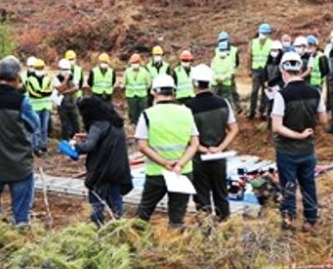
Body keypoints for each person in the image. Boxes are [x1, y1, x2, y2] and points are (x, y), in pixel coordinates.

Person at [0, 57, 39, 226]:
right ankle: (20, 238)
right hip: (19, 164)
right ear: (17, 77)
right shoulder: (21, 102)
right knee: (21, 214)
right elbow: (34, 125)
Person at [271, 51, 328, 230]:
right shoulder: (315, 92)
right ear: (300, 68)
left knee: (288, 186)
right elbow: (324, 120)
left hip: (288, 150)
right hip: (308, 149)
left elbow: (276, 126)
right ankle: (310, 220)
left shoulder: (282, 95)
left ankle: (289, 219)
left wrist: (298, 134)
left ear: (283, 70)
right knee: (308, 184)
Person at [135, 74, 200, 227]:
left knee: (144, 213)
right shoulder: (186, 112)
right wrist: (179, 165)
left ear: (154, 92)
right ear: (173, 92)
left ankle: (134, 243)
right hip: (182, 173)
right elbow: (194, 144)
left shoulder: (147, 114)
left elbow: (142, 146)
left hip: (156, 173)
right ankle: (175, 245)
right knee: (177, 217)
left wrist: (165, 163)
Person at [185, 64, 239, 221]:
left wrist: (203, 149)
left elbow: (187, 136)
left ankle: (206, 230)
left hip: (199, 158)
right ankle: (225, 225)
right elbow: (234, 129)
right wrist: (220, 148)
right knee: (221, 194)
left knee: (202, 196)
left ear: (195, 83)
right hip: (219, 157)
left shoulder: (188, 107)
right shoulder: (223, 103)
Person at [74, 96, 132, 226]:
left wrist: (76, 145)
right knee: (116, 200)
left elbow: (89, 146)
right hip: (118, 168)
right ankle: (119, 226)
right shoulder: (115, 123)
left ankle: (98, 227)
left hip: (102, 171)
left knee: (97, 203)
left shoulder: (97, 125)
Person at [24, 59, 53, 155]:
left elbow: (49, 91)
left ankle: (43, 146)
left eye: (41, 68)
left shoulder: (47, 78)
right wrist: (43, 93)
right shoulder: (30, 80)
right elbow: (33, 94)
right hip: (35, 107)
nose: (39, 69)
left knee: (44, 128)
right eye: (38, 68)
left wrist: (40, 93)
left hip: (46, 106)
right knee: (36, 127)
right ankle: (35, 147)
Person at [248, 23, 273, 119]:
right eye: (263, 33)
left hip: (266, 70)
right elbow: (249, 57)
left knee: (265, 91)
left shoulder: (271, 43)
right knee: (254, 91)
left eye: (266, 33)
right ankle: (252, 111)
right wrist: (249, 69)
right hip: (256, 69)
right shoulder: (253, 42)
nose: (264, 35)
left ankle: (262, 111)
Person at [122, 53, 151, 127]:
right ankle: (134, 123)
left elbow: (148, 84)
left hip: (142, 95)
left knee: (143, 110)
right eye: (133, 63)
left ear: (139, 63)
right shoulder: (127, 72)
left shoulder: (144, 72)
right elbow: (124, 83)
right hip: (131, 95)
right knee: (133, 110)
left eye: (136, 62)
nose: (135, 64)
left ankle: (143, 124)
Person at [55, 58, 80, 140]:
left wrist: (64, 92)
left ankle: (76, 141)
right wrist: (66, 79)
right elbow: (59, 88)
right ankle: (66, 140)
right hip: (62, 105)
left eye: (67, 69)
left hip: (72, 103)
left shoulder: (73, 77)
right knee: (64, 124)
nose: (66, 71)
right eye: (64, 69)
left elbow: (76, 88)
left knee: (76, 124)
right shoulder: (57, 78)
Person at [259, 41, 283, 118]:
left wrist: (271, 83)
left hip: (278, 85)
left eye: (276, 50)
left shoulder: (282, 62)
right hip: (269, 86)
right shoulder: (268, 61)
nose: (274, 52)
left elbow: (281, 75)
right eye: (272, 50)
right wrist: (265, 81)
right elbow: (264, 72)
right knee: (268, 103)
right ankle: (268, 118)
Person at [211, 41, 238, 108]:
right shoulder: (214, 59)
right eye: (221, 50)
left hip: (226, 84)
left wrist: (222, 78)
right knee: (214, 100)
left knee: (228, 101)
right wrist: (216, 78)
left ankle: (230, 114)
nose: (222, 51)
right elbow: (212, 70)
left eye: (223, 50)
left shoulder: (230, 60)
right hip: (216, 84)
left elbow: (231, 72)